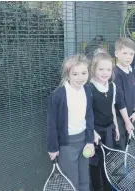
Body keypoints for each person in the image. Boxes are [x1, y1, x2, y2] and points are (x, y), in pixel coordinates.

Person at [47, 54, 95, 191]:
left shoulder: (87, 90)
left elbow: (89, 115)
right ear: (68, 75)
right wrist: (53, 147)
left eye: (84, 73)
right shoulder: (58, 95)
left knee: (84, 178)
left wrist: (90, 140)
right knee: (71, 181)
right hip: (67, 145)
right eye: (75, 74)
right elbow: (52, 124)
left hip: (84, 141)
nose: (80, 77)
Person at [88, 49, 120, 191]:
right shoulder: (88, 88)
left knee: (109, 164)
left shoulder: (112, 86)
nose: (105, 72)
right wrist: (93, 132)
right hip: (96, 134)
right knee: (95, 165)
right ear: (93, 69)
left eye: (108, 69)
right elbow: (85, 114)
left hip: (109, 131)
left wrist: (116, 127)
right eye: (101, 69)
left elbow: (112, 108)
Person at [113, 37, 135, 151]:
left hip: (131, 117)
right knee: (121, 147)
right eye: (124, 53)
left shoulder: (133, 70)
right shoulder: (115, 73)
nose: (128, 57)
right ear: (116, 54)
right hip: (120, 119)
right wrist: (127, 122)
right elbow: (119, 101)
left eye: (131, 54)